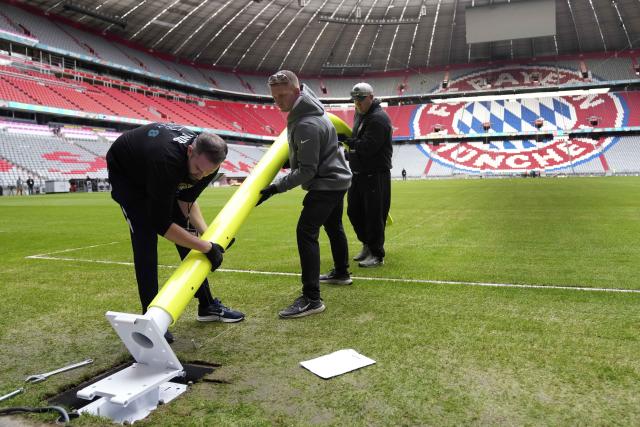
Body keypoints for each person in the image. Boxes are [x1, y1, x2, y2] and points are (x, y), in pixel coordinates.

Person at [107, 123, 244, 342]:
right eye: (198, 170)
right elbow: (161, 224)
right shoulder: (167, 161)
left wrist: (209, 238)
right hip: (129, 175)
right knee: (145, 239)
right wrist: (207, 247)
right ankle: (151, 319)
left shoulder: (209, 166)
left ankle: (207, 305)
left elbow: (186, 202)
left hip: (159, 168)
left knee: (187, 234)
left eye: (207, 173)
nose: (201, 176)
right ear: (191, 151)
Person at [258, 70, 352, 319]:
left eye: (282, 95)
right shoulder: (311, 113)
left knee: (305, 233)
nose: (277, 101)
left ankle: (312, 298)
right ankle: (341, 272)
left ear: (297, 92)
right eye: (274, 97)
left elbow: (307, 172)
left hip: (326, 184)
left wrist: (276, 188)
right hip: (338, 179)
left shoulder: (306, 123)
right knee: (334, 227)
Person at [344, 82, 393, 268]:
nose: (357, 103)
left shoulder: (379, 118)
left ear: (371, 97)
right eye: (355, 100)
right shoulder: (361, 114)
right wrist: (352, 148)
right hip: (359, 174)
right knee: (353, 211)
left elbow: (368, 147)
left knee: (374, 215)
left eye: (361, 99)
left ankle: (377, 254)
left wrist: (350, 145)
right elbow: (360, 145)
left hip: (375, 174)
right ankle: (367, 244)